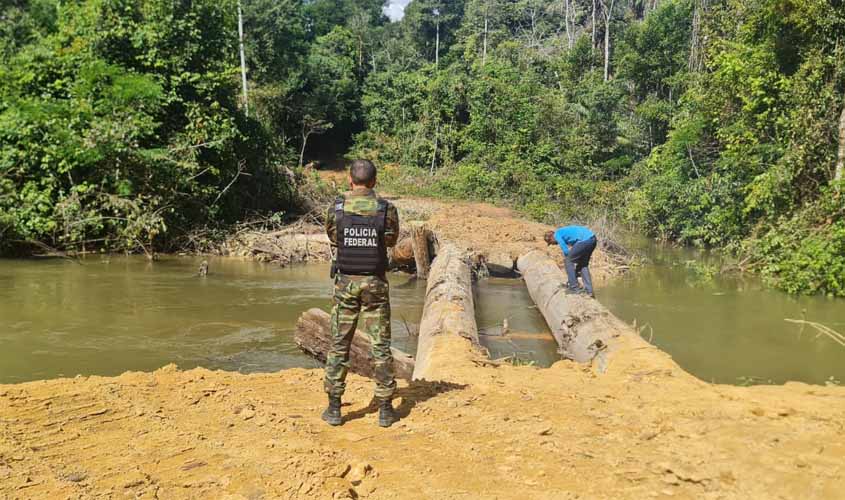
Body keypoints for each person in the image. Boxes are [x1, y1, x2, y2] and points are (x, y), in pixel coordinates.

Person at [322, 159, 400, 428]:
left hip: (346, 284)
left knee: (339, 344)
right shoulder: (385, 209)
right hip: (375, 283)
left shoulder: (337, 207)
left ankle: (334, 409)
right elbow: (390, 240)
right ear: (374, 182)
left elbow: (334, 237)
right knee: (381, 346)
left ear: (350, 180)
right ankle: (386, 409)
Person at [544, 225, 597, 297]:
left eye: (551, 242)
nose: (553, 244)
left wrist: (569, 262)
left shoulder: (557, 234)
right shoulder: (562, 232)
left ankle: (574, 287)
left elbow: (566, 250)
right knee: (583, 264)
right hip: (592, 239)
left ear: (551, 238)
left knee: (568, 261)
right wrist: (575, 271)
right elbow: (576, 250)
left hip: (585, 240)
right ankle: (589, 291)